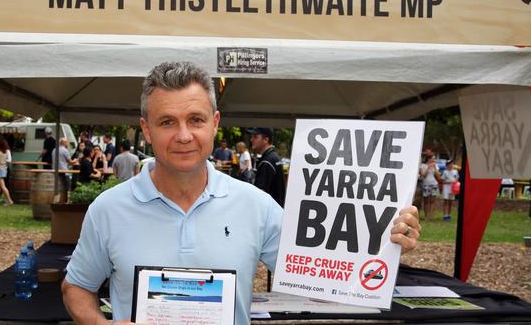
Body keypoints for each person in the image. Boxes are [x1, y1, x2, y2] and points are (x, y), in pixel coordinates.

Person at [61, 61, 421, 325]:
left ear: (215, 125)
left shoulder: (257, 206)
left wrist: (384, 241)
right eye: (167, 122)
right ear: (146, 130)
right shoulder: (108, 208)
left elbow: (330, 274)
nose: (184, 135)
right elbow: (76, 288)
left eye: (196, 120)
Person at [248, 127, 286, 207]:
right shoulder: (274, 157)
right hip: (278, 208)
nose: (251, 140)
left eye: (255, 137)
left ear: (266, 140)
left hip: (270, 211)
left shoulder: (267, 161)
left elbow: (260, 193)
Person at [53, 137, 77, 203]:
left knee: (57, 188)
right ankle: (66, 202)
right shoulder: (65, 150)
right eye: (67, 142)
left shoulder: (54, 150)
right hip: (64, 171)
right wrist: (76, 160)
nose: (68, 144)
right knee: (66, 188)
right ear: (64, 143)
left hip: (55, 171)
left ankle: (57, 201)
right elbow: (70, 162)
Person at [419, 153, 439, 220]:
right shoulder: (423, 165)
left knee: (432, 201)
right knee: (426, 201)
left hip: (434, 184)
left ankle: (430, 215)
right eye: (433, 158)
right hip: (426, 184)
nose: (434, 160)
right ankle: (426, 216)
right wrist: (428, 167)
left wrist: (435, 167)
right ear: (429, 159)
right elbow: (423, 176)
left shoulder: (435, 166)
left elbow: (437, 175)